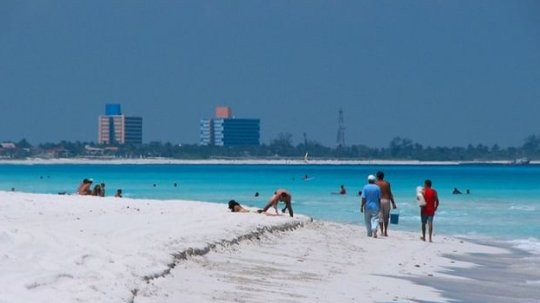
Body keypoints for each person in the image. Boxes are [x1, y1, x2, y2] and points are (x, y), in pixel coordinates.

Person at [375, 171, 397, 237]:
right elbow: (390, 193)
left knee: (380, 217)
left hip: (379, 201)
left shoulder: (375, 183)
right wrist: (393, 203)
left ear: (377, 176)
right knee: (386, 217)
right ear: (383, 176)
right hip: (387, 200)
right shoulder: (387, 183)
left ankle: (381, 232)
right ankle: (386, 232)